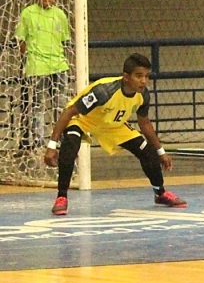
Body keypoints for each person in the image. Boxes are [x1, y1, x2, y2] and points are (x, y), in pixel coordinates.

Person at [44, 52, 187, 215]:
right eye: (138, 76)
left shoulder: (143, 95)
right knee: (70, 146)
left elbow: (144, 122)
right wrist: (52, 146)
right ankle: (61, 197)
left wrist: (160, 151)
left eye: (146, 76)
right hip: (83, 119)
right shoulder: (104, 91)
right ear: (126, 77)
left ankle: (160, 193)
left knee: (148, 152)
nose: (143, 81)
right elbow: (69, 111)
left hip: (113, 125)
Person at [15, 0, 71, 151]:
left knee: (61, 105)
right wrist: (30, 58)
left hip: (58, 65)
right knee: (37, 105)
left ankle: (60, 140)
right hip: (37, 66)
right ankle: (38, 142)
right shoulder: (28, 13)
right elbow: (21, 41)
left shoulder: (60, 14)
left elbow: (64, 41)